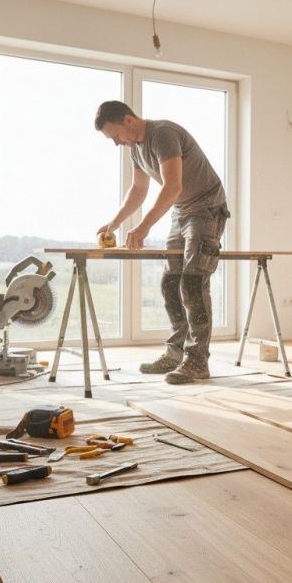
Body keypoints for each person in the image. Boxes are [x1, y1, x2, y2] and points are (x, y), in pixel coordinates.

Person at [95, 100, 230, 384]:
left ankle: (197, 361)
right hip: (182, 212)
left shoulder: (163, 134)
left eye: (116, 136)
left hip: (205, 209)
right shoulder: (136, 148)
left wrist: (143, 227)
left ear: (129, 121)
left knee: (193, 283)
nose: (117, 143)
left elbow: (173, 186)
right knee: (171, 284)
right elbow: (138, 189)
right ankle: (175, 353)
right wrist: (116, 222)